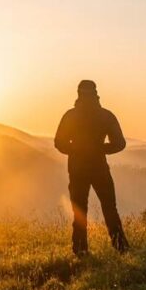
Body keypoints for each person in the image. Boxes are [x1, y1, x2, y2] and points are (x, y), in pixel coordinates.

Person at [54, 80, 130, 256]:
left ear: (78, 94)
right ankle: (121, 247)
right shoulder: (106, 116)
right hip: (99, 167)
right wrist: (100, 148)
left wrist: (76, 149)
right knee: (110, 208)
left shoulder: (70, 116)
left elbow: (59, 142)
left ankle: (81, 250)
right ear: (96, 94)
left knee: (79, 211)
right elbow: (120, 143)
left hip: (77, 168)